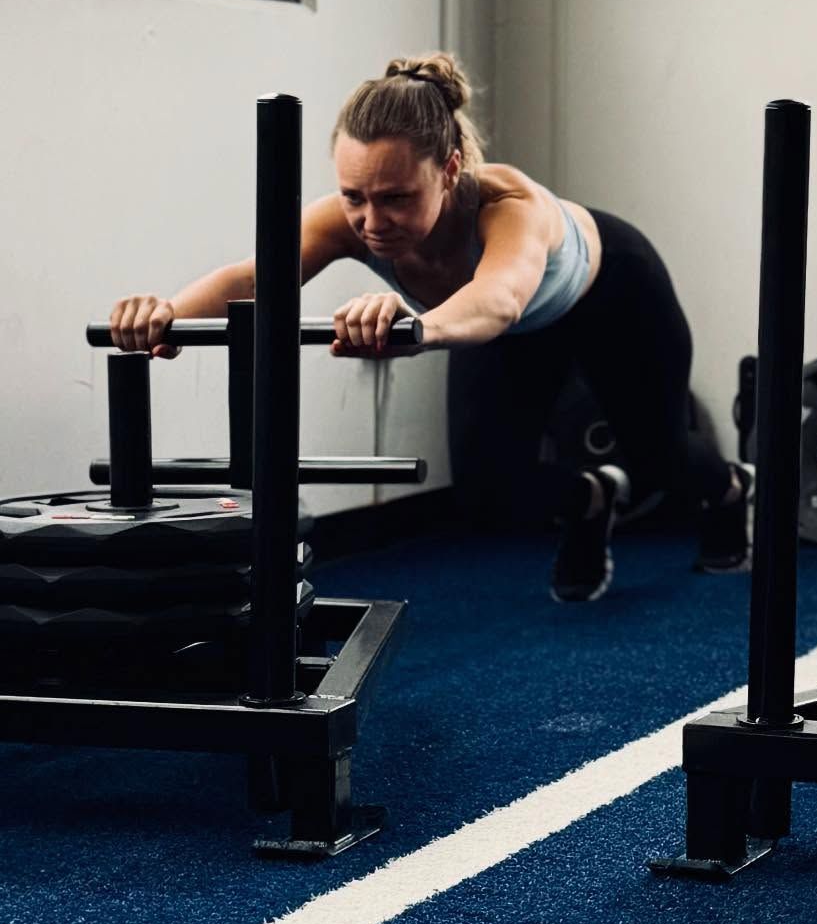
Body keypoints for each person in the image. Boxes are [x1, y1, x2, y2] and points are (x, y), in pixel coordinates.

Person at [108, 53, 751, 603]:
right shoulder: (347, 217)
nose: (371, 220)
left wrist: (413, 326)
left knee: (661, 458)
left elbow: (498, 299)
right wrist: (164, 313)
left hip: (613, 297)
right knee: (485, 492)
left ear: (447, 169)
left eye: (395, 198)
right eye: (355, 196)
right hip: (497, 324)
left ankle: (727, 493)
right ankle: (590, 499)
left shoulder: (507, 206)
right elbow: (254, 280)